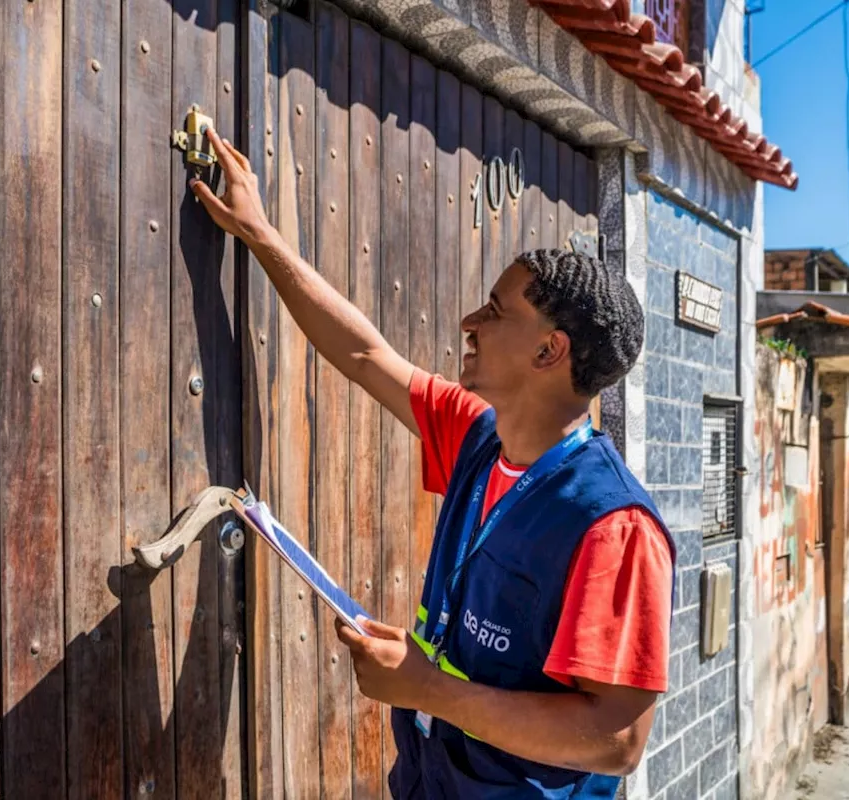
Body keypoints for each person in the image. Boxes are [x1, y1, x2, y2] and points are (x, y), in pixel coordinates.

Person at [191, 126, 675, 799]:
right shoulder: (480, 437)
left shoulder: (613, 527)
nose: (468, 322)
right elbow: (365, 355)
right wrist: (261, 236)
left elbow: (617, 741)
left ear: (548, 353)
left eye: (496, 312)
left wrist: (428, 689)